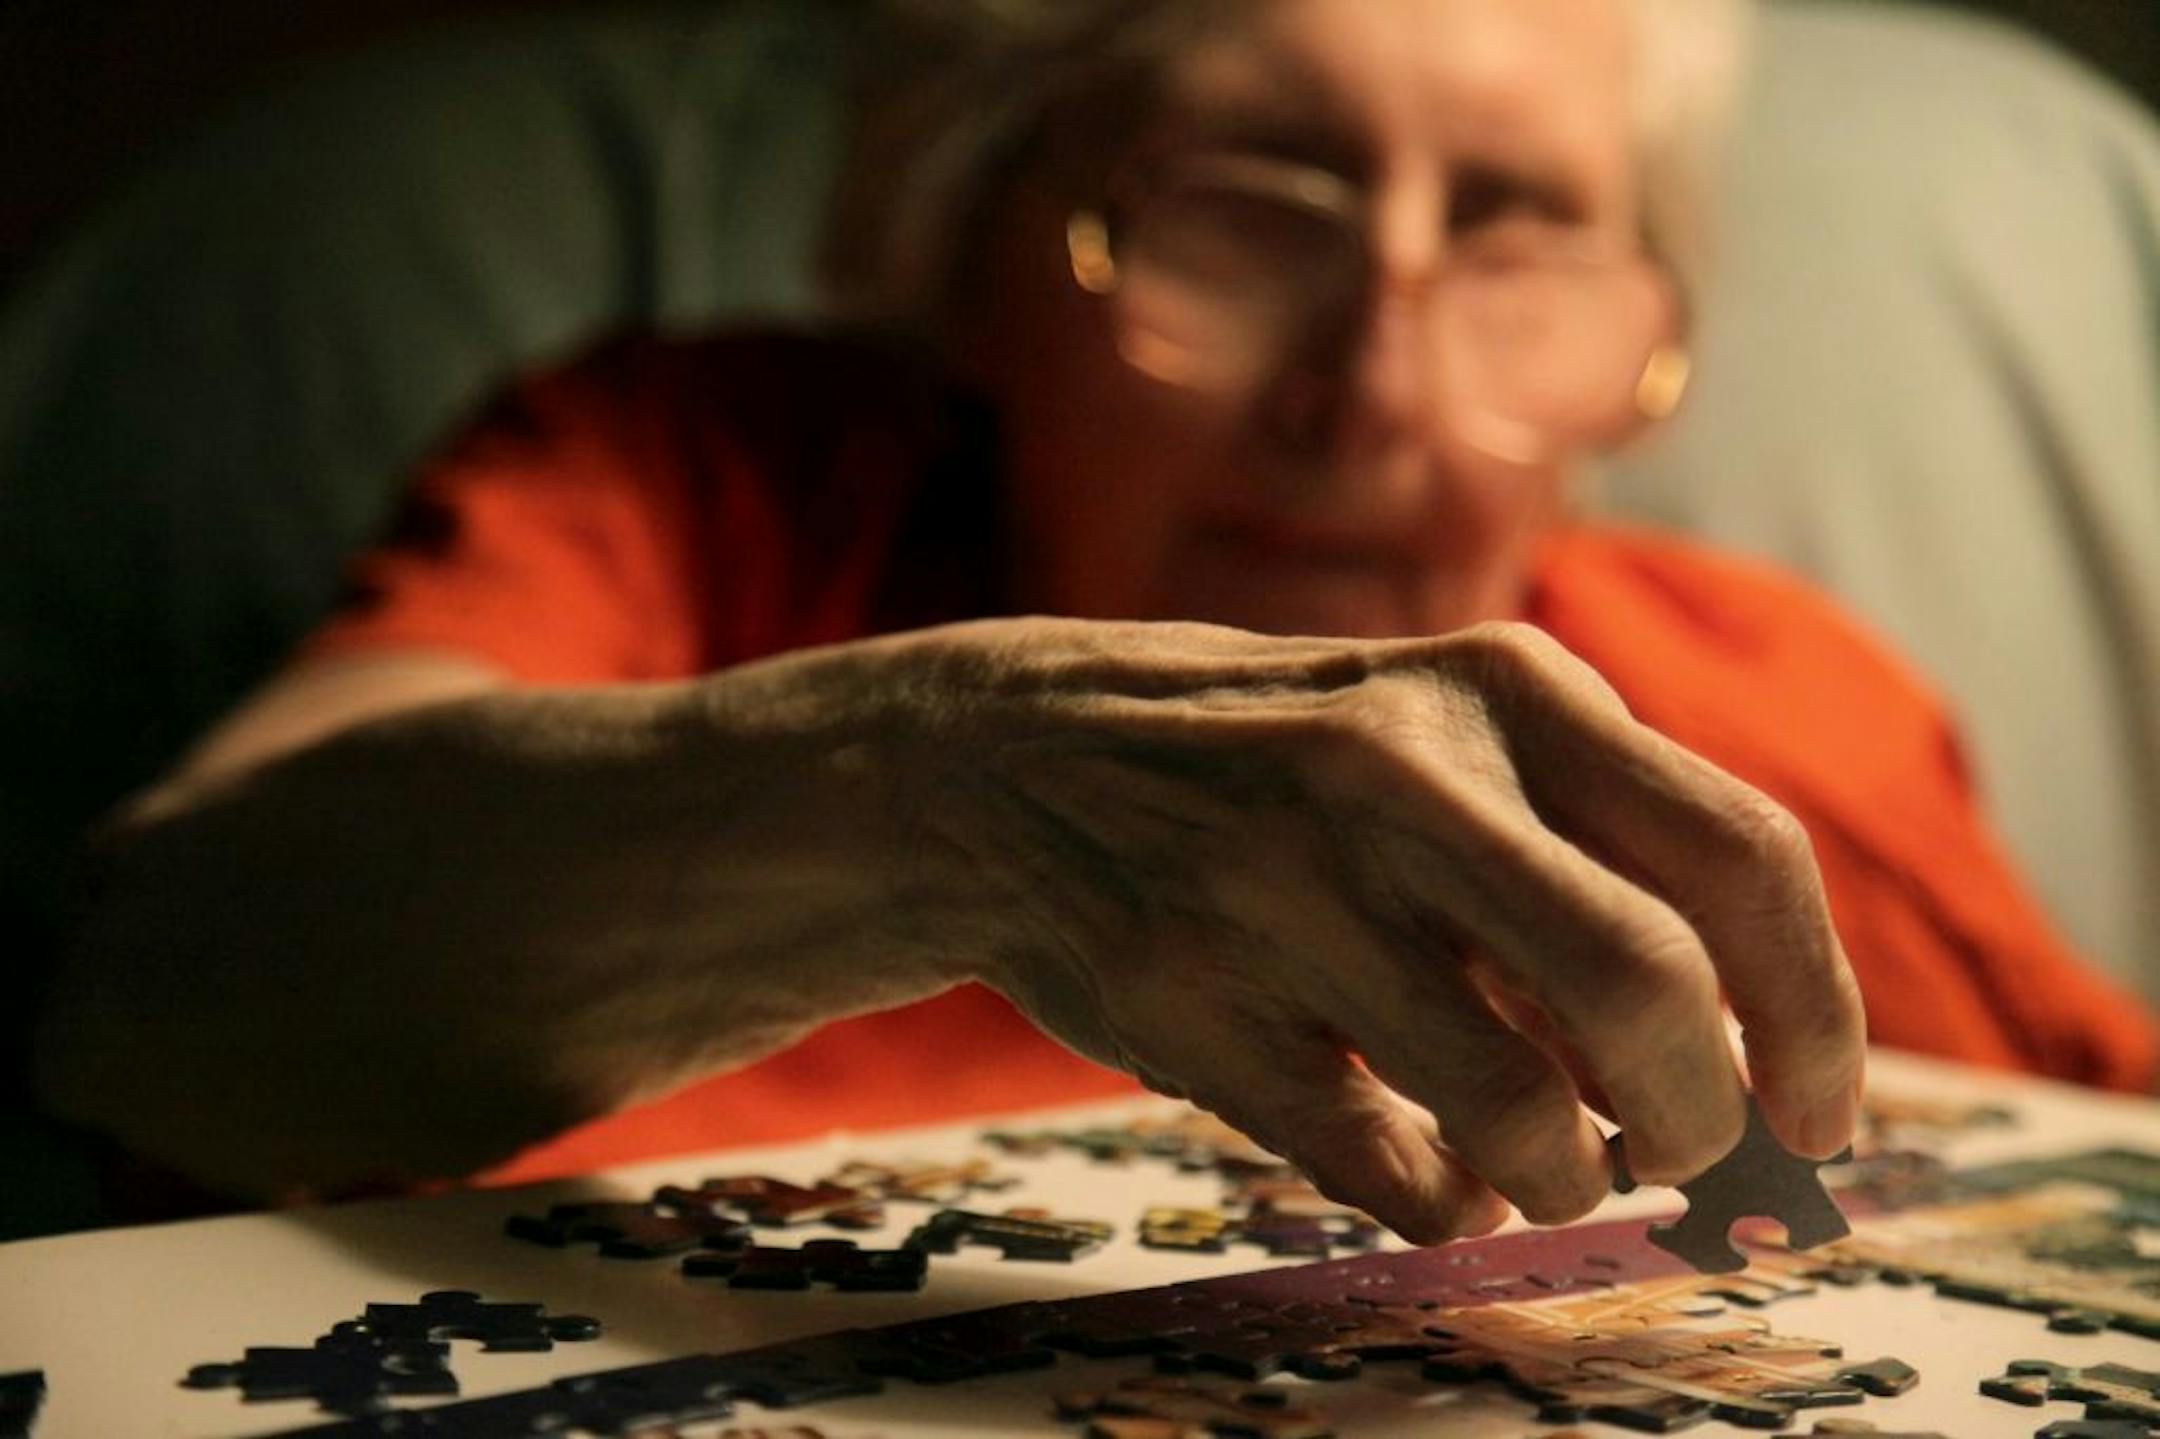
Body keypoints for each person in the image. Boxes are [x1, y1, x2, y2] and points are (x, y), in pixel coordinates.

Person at [28, 0, 2154, 1244]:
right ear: (968, 249)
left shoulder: (1774, 695)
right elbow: (148, 992)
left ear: (1644, 354)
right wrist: (966, 798)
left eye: (1516, 235)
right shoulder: (699, 490)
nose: (1379, 389)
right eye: (1248, 211)